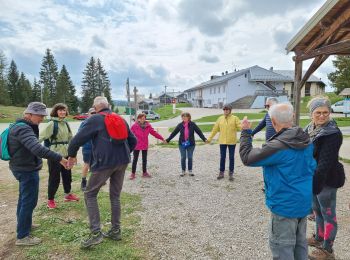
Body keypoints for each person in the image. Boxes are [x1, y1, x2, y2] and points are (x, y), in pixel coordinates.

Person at [239, 103, 316, 260]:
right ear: (292, 117)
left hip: (284, 205)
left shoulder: (278, 146)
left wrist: (246, 132)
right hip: (303, 201)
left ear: (273, 122)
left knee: (282, 247)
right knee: (300, 244)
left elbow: (247, 158)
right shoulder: (305, 139)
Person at [67, 96, 137, 248]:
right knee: (115, 195)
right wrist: (123, 154)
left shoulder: (94, 119)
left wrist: (71, 156)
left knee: (90, 194)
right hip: (123, 162)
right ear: (108, 106)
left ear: (96, 107)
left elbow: (76, 140)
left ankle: (96, 234)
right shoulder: (120, 118)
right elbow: (134, 141)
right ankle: (116, 230)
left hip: (104, 163)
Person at [8, 102, 68, 246]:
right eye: (40, 115)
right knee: (29, 201)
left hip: (22, 167)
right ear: (29, 114)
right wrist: (59, 158)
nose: (42, 118)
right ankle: (23, 236)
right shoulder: (24, 129)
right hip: (26, 169)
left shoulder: (21, 126)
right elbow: (38, 149)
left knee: (24, 199)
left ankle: (25, 225)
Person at [305, 97, 345, 260]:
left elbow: (325, 163)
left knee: (328, 214)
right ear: (311, 114)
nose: (321, 116)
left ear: (329, 113)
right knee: (317, 211)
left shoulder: (332, 133)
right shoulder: (309, 128)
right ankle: (319, 238)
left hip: (326, 180)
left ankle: (328, 250)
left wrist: (314, 186)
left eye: (325, 113)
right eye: (318, 112)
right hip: (314, 178)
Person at [39, 103, 79, 209]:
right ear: (56, 111)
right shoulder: (51, 124)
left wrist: (73, 154)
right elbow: (40, 137)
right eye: (60, 110)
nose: (62, 112)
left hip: (66, 155)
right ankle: (50, 199)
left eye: (64, 110)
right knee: (54, 178)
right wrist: (32, 147)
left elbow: (71, 139)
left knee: (67, 176)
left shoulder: (66, 123)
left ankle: (68, 195)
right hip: (54, 156)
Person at [166, 112, 207, 176]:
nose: (184, 118)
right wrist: (168, 140)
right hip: (182, 144)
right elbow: (174, 133)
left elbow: (199, 132)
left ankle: (190, 170)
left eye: (185, 116)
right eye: (183, 116)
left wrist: (204, 139)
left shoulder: (193, 124)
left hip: (191, 144)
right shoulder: (180, 125)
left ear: (189, 117)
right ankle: (183, 171)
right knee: (183, 157)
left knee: (190, 157)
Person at [207, 104, 241, 181]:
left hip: (232, 141)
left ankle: (231, 172)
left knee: (231, 157)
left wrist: (245, 127)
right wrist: (209, 139)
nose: (225, 111)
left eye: (227, 109)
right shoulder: (220, 119)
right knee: (222, 157)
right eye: (224, 110)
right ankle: (221, 172)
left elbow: (240, 127)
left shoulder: (235, 118)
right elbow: (214, 129)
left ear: (230, 110)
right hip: (222, 141)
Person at [130, 113, 165, 179]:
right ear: (138, 119)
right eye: (141, 118)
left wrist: (162, 138)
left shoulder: (148, 126)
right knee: (135, 159)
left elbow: (154, 133)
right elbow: (130, 135)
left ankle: (144, 173)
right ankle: (133, 173)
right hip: (137, 145)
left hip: (144, 145)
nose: (143, 120)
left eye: (144, 118)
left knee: (144, 160)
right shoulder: (134, 126)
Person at [79, 107, 96, 191]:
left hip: (97, 148)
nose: (94, 114)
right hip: (87, 147)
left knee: (96, 164)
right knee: (87, 164)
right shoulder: (84, 123)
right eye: (92, 113)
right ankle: (83, 181)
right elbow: (79, 134)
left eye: (95, 113)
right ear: (88, 114)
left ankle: (94, 181)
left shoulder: (98, 122)